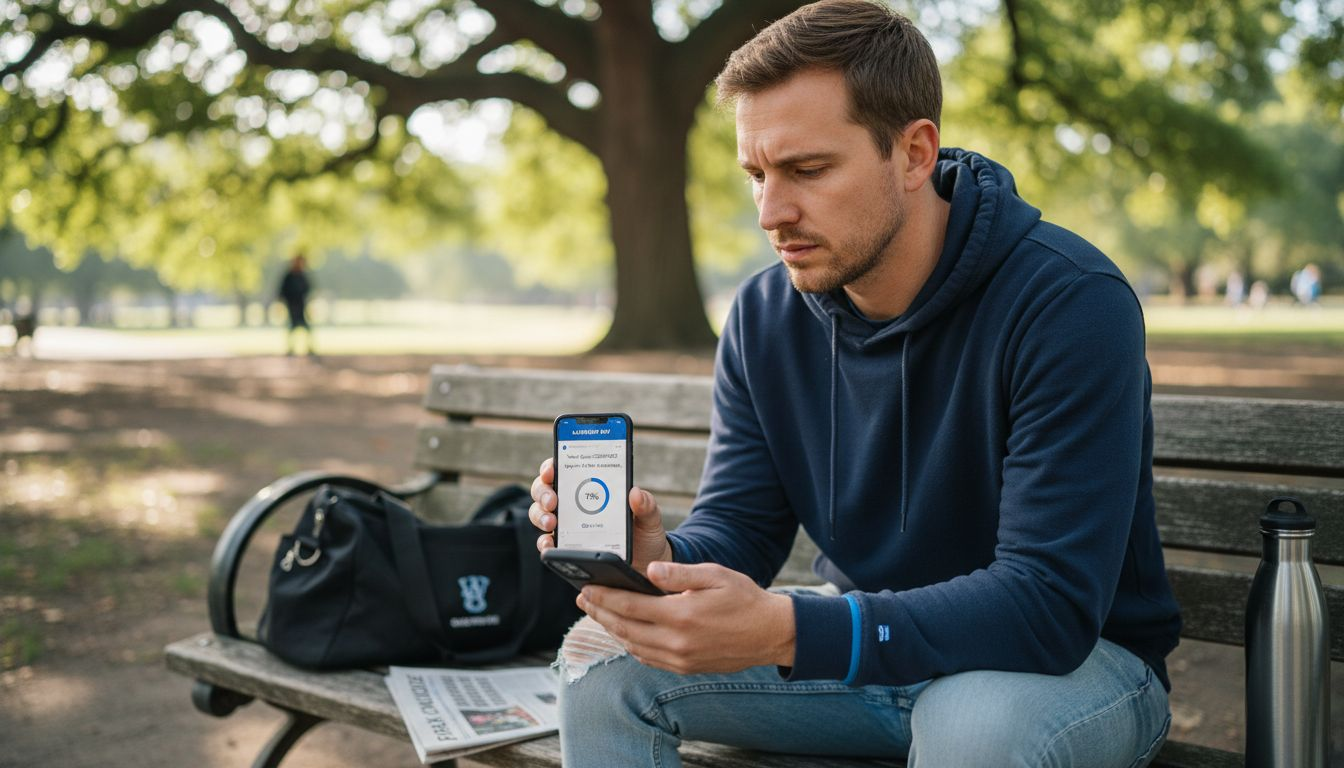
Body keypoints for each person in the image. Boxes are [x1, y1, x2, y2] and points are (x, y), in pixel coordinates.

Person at [528, 2, 1181, 766]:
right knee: (601, 664)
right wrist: (657, 559)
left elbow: (1047, 603)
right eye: (757, 175)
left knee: (974, 725)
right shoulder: (767, 314)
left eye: (807, 169)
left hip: (1065, 667)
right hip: (868, 660)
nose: (772, 212)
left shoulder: (1069, 301)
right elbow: (741, 526)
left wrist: (791, 630)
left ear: (914, 153)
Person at [276, 253, 316, 357]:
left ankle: (309, 347)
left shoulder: (302, 275)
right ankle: (291, 348)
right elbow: (282, 291)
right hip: (292, 305)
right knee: (292, 327)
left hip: (301, 305)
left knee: (305, 327)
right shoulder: (289, 276)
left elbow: (308, 289)